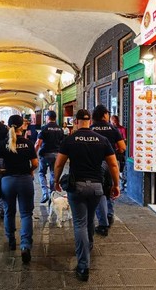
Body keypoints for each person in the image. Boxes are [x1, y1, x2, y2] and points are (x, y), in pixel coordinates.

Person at [54, 109, 120, 282]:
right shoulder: (102, 139)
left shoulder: (70, 139)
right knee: (90, 220)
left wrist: (56, 181)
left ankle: (83, 266)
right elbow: (113, 165)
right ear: (89, 121)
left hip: (77, 187)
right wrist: (116, 185)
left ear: (76, 121)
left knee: (80, 224)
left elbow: (59, 163)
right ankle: (88, 246)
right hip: (97, 187)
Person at [0, 115, 38, 263]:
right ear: (22, 126)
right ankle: (25, 245)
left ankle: (11, 240)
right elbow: (35, 163)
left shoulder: (2, 144)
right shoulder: (28, 144)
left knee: (9, 212)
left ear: (9, 126)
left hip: (7, 181)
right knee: (26, 214)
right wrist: (30, 171)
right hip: (25, 181)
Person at [90, 105, 126, 236]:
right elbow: (122, 147)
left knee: (100, 191)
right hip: (111, 163)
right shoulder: (113, 128)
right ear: (104, 115)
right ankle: (110, 214)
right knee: (110, 188)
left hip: (96, 163)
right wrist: (113, 152)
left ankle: (102, 222)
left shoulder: (91, 128)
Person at [35, 110, 64, 203]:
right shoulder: (60, 129)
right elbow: (63, 143)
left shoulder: (44, 128)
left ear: (47, 118)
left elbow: (38, 143)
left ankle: (45, 193)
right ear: (55, 118)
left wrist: (33, 154)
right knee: (53, 174)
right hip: (57, 155)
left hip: (45, 154)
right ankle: (52, 196)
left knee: (41, 173)